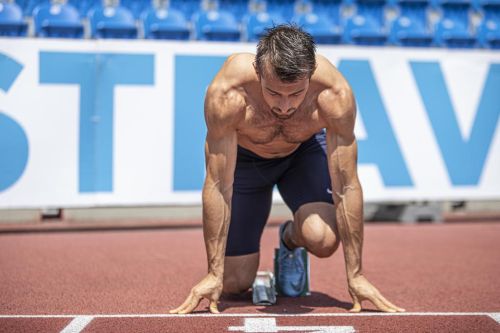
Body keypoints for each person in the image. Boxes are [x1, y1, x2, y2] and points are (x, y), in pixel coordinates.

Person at [170, 24, 405, 314]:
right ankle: (230, 272)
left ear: (310, 74)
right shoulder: (228, 92)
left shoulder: (334, 93)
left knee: (322, 239)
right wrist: (213, 273)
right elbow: (218, 185)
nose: (284, 106)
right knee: (233, 282)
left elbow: (347, 185)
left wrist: (355, 275)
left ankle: (289, 239)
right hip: (246, 163)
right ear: (258, 71)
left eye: (295, 94)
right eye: (273, 93)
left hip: (302, 155)